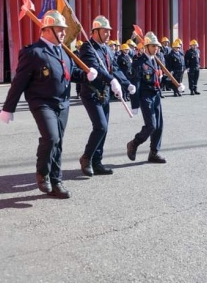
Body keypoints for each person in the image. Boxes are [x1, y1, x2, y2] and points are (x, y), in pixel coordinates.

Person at [0, 11, 97, 199]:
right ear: (47, 30)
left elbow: (71, 74)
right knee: (51, 137)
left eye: (63, 30)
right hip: (42, 102)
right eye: (59, 30)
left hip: (63, 103)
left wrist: (87, 75)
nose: (63, 33)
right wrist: (8, 108)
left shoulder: (64, 51)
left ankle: (56, 181)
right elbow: (19, 82)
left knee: (58, 142)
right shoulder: (33, 52)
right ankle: (42, 172)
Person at [78, 15, 135, 177]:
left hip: (105, 94)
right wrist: (111, 80)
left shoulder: (107, 49)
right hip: (92, 93)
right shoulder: (87, 48)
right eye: (105, 31)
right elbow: (96, 68)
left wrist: (125, 83)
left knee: (104, 129)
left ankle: (97, 162)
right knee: (100, 126)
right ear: (95, 31)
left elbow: (114, 67)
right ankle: (86, 157)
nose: (109, 34)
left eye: (109, 31)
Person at [126, 32, 184, 164]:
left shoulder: (157, 61)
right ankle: (134, 143)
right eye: (153, 46)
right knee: (151, 125)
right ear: (146, 47)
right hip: (145, 96)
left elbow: (160, 80)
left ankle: (154, 152)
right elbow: (136, 85)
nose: (156, 48)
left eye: (157, 46)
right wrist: (135, 105)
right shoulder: (139, 63)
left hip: (156, 94)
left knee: (159, 125)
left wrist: (176, 86)